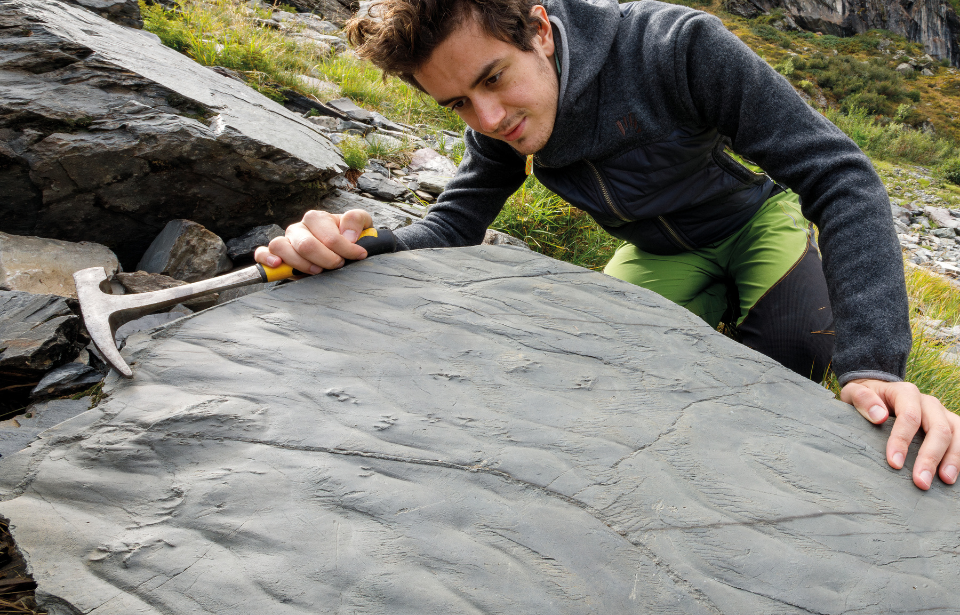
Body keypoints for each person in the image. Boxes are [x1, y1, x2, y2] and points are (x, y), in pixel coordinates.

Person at [255, 0, 960, 490]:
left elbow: (840, 176)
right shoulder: (495, 122)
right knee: (611, 395)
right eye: (459, 105)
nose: (489, 118)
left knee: (797, 346)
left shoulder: (675, 47)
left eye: (493, 79)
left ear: (541, 31)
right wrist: (355, 247)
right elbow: (450, 230)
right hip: (654, 251)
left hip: (753, 223)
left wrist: (877, 366)